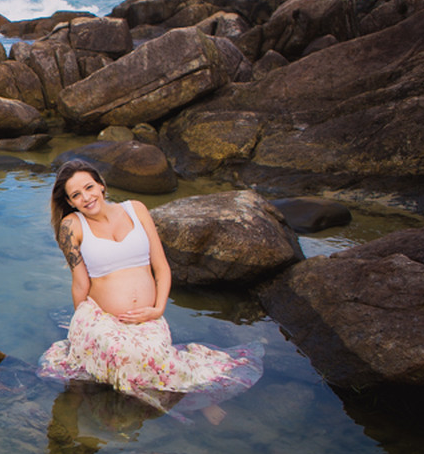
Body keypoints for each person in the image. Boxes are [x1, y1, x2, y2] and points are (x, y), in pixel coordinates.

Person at [37, 160, 262, 423]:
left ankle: (197, 399)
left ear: (101, 185)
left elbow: (161, 267)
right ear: (70, 201)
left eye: (89, 187)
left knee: (157, 359)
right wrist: (81, 328)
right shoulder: (72, 226)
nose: (86, 197)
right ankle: (184, 403)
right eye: (76, 194)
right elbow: (80, 283)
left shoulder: (136, 209)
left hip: (148, 314)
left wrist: (158, 309)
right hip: (104, 319)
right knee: (124, 356)